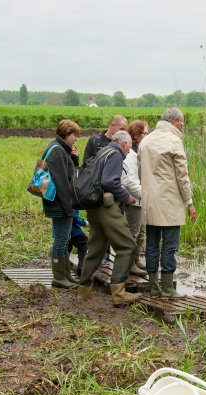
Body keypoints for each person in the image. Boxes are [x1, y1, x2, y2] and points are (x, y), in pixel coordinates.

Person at [77, 131, 141, 307]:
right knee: (127, 246)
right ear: (124, 144)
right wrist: (126, 197)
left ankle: (83, 291)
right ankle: (119, 294)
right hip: (107, 207)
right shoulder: (115, 154)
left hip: (93, 207)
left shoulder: (103, 151)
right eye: (129, 147)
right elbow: (109, 182)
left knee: (96, 249)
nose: (129, 151)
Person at [138, 107, 197, 297]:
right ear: (173, 121)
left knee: (152, 244)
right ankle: (168, 288)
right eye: (181, 123)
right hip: (169, 201)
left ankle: (154, 287)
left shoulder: (145, 141)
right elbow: (182, 176)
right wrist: (189, 202)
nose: (182, 126)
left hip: (148, 201)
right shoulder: (174, 141)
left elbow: (140, 172)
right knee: (170, 246)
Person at [42, 119, 81, 288]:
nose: (76, 139)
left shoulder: (62, 150)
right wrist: (69, 208)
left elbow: (71, 175)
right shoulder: (57, 152)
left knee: (64, 240)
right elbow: (62, 183)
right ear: (66, 134)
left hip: (60, 204)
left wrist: (75, 159)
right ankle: (59, 278)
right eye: (74, 135)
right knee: (60, 240)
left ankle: (66, 275)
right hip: (59, 205)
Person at [121, 120, 149, 274]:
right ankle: (129, 264)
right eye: (145, 133)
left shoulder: (141, 151)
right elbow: (129, 180)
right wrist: (144, 195)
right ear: (136, 135)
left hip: (140, 198)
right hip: (134, 199)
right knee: (133, 232)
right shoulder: (130, 154)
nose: (147, 135)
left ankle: (136, 260)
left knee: (141, 232)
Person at [68, 211, 88, 275]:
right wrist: (84, 223)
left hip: (60, 230)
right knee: (83, 242)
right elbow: (74, 216)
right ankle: (82, 268)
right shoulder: (72, 201)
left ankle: (64, 268)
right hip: (73, 230)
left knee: (66, 247)